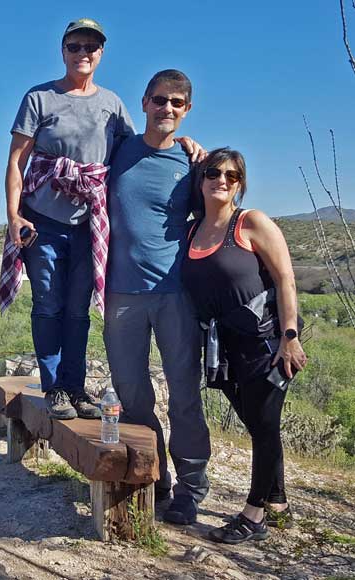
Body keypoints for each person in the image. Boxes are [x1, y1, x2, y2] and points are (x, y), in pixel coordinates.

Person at [0, 18, 135, 420]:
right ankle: (53, 387)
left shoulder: (112, 104)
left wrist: (180, 144)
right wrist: (13, 215)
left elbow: (130, 155)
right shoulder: (40, 98)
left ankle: (75, 389)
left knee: (78, 309)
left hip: (89, 223)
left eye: (91, 47)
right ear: (63, 51)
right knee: (47, 304)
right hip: (42, 220)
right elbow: (16, 161)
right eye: (75, 46)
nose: (83, 54)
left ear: (101, 54)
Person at [182, 147, 307, 544]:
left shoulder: (251, 223)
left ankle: (254, 516)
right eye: (213, 173)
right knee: (257, 423)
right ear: (200, 180)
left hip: (265, 342)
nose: (221, 180)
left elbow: (285, 279)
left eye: (232, 176)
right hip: (224, 348)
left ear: (240, 184)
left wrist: (289, 336)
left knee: (265, 423)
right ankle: (278, 500)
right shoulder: (192, 230)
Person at [103, 69, 211, 526]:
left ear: (186, 111)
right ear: (144, 102)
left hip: (174, 295)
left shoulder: (194, 163)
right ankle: (155, 473)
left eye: (177, 103)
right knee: (133, 395)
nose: (167, 108)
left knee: (184, 394)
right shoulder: (118, 149)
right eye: (160, 100)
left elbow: (215, 219)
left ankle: (191, 487)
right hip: (121, 295)